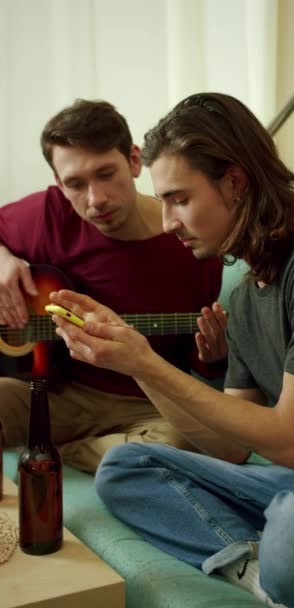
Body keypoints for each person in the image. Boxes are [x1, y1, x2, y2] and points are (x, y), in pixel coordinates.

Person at [48, 93, 294, 608]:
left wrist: (145, 361)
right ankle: (254, 568)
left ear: (234, 182)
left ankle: (284, 554)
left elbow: (293, 439)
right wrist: (132, 360)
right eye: (161, 201)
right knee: (125, 466)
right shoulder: (248, 297)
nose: (166, 223)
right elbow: (228, 447)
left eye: (179, 199)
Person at [0, 98, 228, 473]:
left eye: (106, 174)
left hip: (145, 403)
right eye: (75, 184)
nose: (96, 199)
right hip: (54, 392)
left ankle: (69, 452)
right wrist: (4, 261)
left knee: (185, 442)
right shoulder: (49, 213)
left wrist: (214, 357)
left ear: (135, 161)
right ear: (59, 184)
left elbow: (196, 363)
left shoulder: (191, 240)